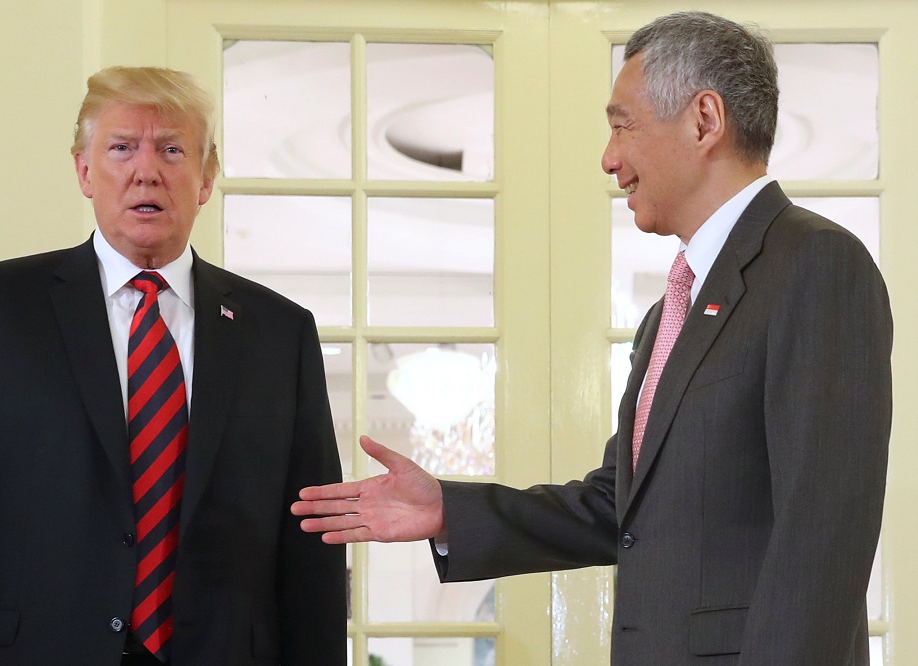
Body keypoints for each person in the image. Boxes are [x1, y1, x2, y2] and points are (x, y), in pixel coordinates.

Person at [293, 11, 892, 665]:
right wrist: (447, 511)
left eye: (621, 126)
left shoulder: (818, 265)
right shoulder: (672, 310)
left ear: (703, 121)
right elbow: (618, 505)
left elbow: (824, 538)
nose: (610, 160)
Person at [0, 66, 346, 666]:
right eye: (122, 148)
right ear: (85, 171)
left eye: (173, 149)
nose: (147, 170)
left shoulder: (281, 331)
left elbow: (312, 543)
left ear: (206, 178)